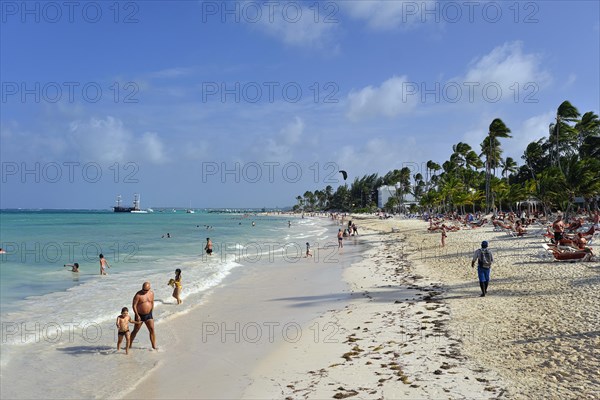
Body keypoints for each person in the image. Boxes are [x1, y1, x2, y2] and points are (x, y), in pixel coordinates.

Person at [129, 282, 158, 350]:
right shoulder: (138, 295)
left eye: (145, 290)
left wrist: (151, 311)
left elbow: (152, 302)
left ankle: (154, 347)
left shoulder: (151, 293)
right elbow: (134, 305)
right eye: (143, 289)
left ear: (149, 289)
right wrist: (137, 315)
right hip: (140, 315)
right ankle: (129, 345)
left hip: (149, 315)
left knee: (152, 330)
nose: (143, 291)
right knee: (135, 330)